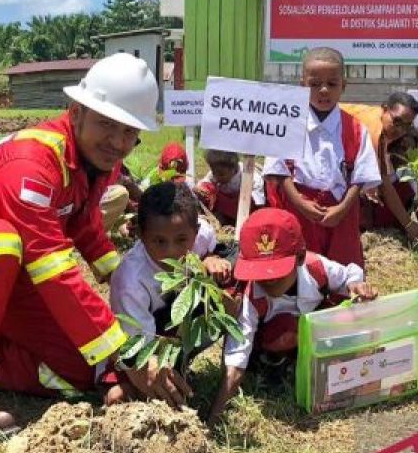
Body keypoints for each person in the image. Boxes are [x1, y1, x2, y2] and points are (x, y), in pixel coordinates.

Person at [0, 53, 172, 439]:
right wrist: (128, 354)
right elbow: (52, 268)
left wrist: (139, 283)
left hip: (8, 269)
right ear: (75, 112)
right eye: (107, 125)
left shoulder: (96, 159)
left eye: (129, 132)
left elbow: (85, 222)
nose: (118, 142)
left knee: (85, 370)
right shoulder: (32, 162)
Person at [207, 208, 375, 426]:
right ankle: (277, 366)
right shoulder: (252, 300)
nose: (267, 280)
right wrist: (215, 417)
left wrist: (356, 286)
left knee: (346, 317)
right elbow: (236, 358)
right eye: (259, 272)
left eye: (276, 271)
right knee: (285, 331)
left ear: (300, 258)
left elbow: (349, 273)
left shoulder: (316, 267)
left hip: (313, 334)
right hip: (274, 343)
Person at [104, 181, 232, 405]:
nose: (171, 251)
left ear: (195, 232)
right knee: (123, 393)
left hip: (176, 328)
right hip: (140, 346)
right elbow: (137, 351)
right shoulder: (130, 281)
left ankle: (179, 365)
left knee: (232, 281)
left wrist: (209, 259)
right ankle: (127, 386)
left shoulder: (203, 235)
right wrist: (152, 377)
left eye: (181, 240)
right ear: (142, 235)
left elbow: (213, 247)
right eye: (159, 241)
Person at [264, 48, 382, 266]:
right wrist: (300, 202)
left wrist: (342, 208)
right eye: (315, 84)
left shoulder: (356, 128)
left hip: (341, 210)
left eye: (332, 84)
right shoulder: (289, 123)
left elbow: (361, 175)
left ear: (343, 86)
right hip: (299, 208)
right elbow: (278, 170)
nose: (324, 90)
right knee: (301, 269)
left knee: (343, 270)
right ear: (302, 85)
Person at [342, 93, 418, 243]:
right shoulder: (375, 134)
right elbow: (384, 184)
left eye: (406, 126)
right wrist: (409, 224)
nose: (400, 130)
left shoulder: (384, 132)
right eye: (396, 121)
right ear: (384, 109)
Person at [195, 149, 264, 227]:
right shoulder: (215, 174)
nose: (216, 177)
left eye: (221, 174)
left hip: (247, 212)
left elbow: (259, 205)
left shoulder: (252, 178)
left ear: (234, 168)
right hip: (225, 211)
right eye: (214, 173)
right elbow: (202, 186)